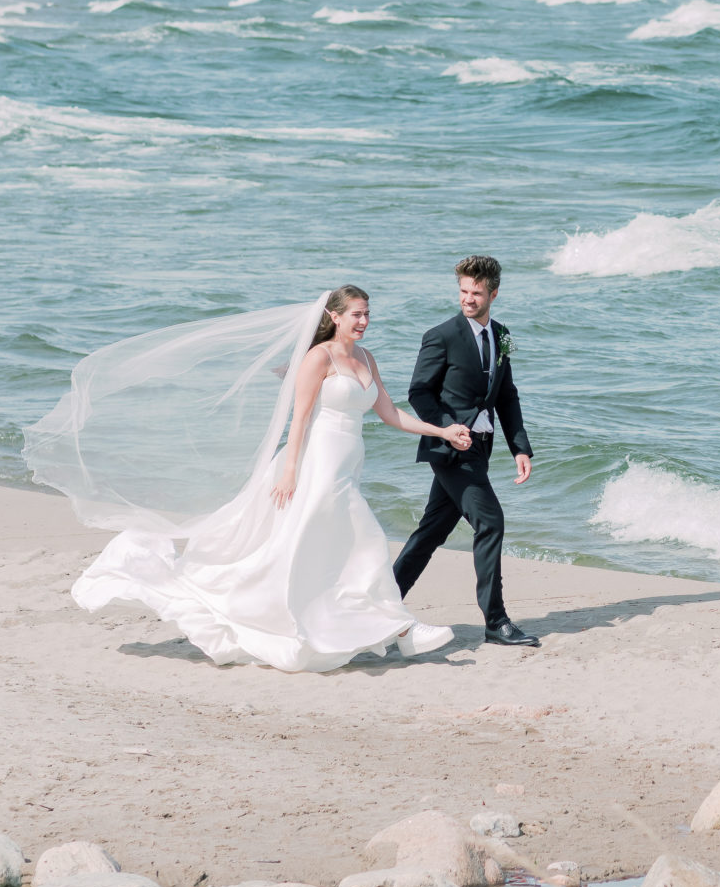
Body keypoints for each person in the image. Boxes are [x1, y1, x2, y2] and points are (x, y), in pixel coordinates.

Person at [63, 285, 472, 671]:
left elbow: (389, 413)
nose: (363, 321)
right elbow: (300, 418)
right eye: (356, 314)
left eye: (367, 314)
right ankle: (403, 630)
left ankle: (344, 623)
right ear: (334, 315)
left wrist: (442, 431)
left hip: (348, 465)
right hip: (318, 464)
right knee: (363, 538)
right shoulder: (319, 358)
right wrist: (290, 470)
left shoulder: (366, 359)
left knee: (321, 547)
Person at [392, 254, 538, 647]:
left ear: (493, 293)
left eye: (476, 292)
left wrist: (519, 448)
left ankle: (380, 605)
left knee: (430, 533)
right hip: (451, 450)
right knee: (490, 522)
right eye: (463, 291)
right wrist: (445, 428)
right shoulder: (440, 335)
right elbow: (418, 392)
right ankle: (496, 620)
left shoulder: (501, 335)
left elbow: (506, 396)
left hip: (483, 447)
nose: (468, 299)